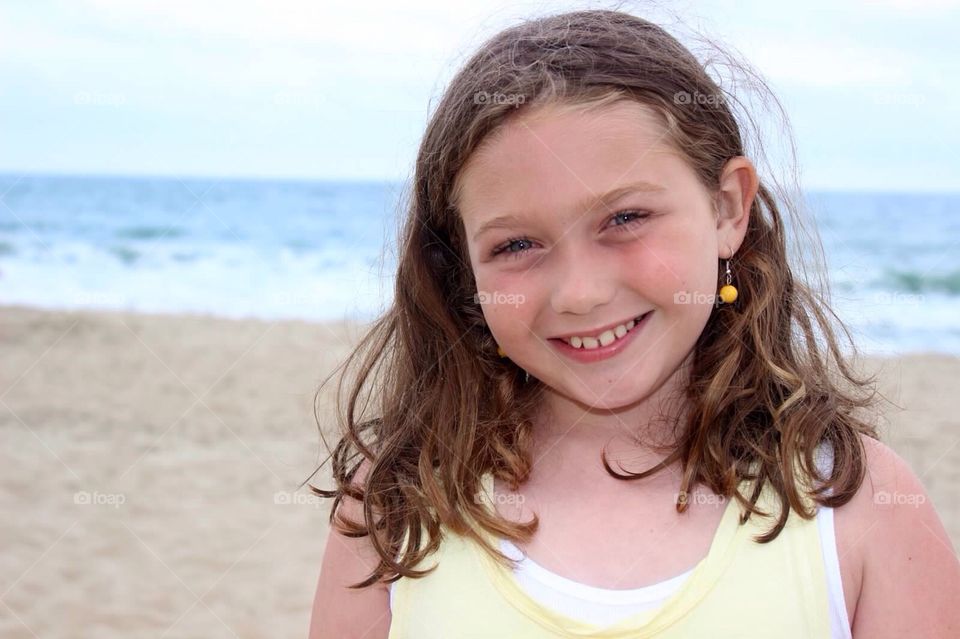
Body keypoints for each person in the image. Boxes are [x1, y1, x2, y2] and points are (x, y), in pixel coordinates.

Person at [308, 8, 960, 638]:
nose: (582, 294)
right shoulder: (395, 505)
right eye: (516, 245)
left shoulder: (857, 506)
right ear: (463, 272)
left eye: (624, 219)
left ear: (728, 207)